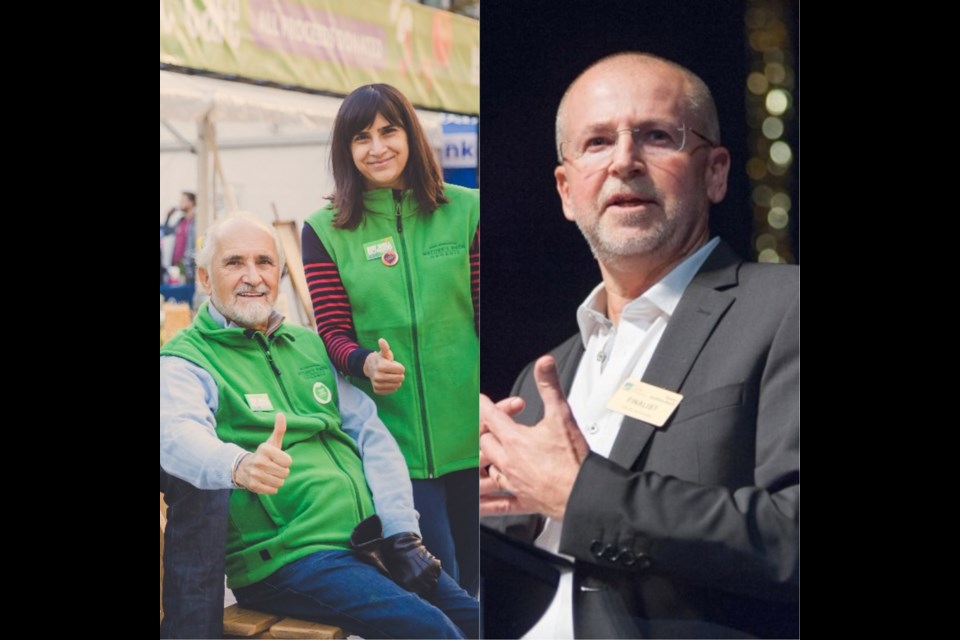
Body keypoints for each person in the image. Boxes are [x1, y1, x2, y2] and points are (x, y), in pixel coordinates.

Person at [479, 53, 799, 639]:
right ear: (566, 190)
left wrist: (584, 496)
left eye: (657, 136)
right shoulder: (544, 374)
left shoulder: (785, 309)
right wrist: (484, 507)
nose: (625, 161)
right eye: (597, 142)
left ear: (715, 172)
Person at [160, 213, 478, 639]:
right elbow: (176, 436)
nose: (253, 277)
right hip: (290, 558)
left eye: (265, 262)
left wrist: (402, 531)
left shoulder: (306, 344)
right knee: (435, 632)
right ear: (203, 277)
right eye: (234, 263)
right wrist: (239, 465)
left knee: (478, 621)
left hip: (369, 540)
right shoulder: (186, 359)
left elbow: (371, 435)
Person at [302, 83, 480, 594]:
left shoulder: (466, 210)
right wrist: (364, 364)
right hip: (392, 446)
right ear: (346, 150)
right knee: (441, 586)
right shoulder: (325, 229)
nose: (377, 147)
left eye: (388, 131)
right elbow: (331, 331)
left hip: (475, 436)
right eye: (361, 137)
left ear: (411, 135)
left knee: (487, 587)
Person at [162, 191, 198, 283]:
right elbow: (166, 232)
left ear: (191, 203)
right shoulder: (181, 221)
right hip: (176, 265)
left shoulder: (196, 222)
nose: (180, 203)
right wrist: (168, 216)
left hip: (189, 266)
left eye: (183, 200)